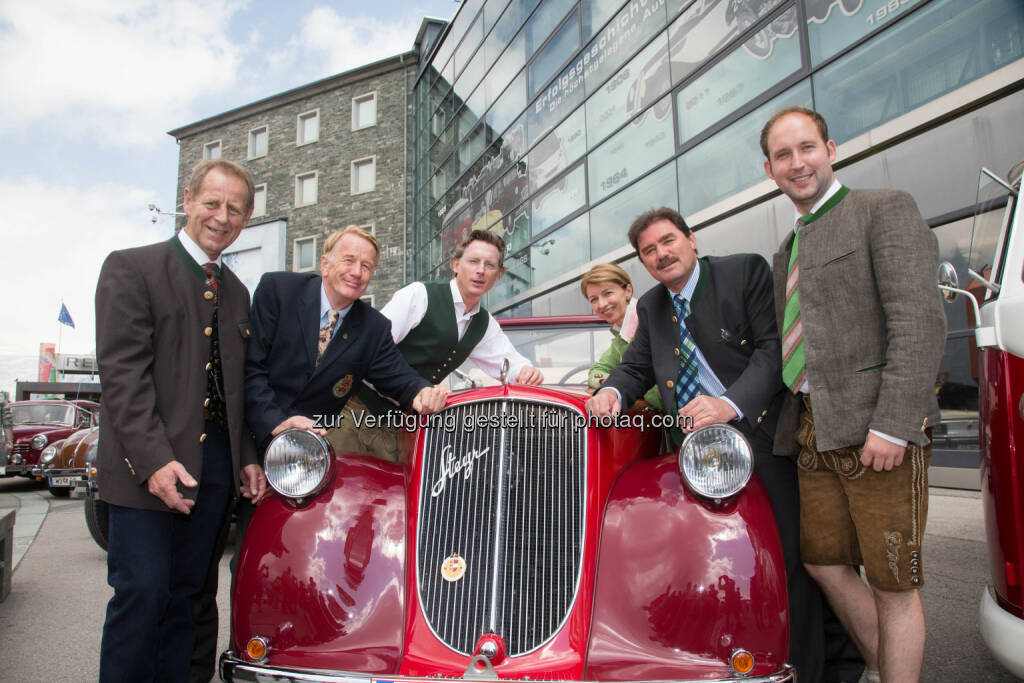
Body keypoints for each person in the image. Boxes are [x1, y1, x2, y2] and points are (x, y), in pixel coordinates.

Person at [585, 207, 827, 681]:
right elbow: (635, 368)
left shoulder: (743, 271)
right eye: (649, 250)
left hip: (758, 435)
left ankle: (808, 669)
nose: (662, 253)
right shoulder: (653, 306)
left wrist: (727, 405)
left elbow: (772, 348)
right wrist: (610, 392)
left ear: (691, 240)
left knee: (784, 561)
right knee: (707, 561)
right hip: (695, 454)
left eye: (668, 241)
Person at [761, 106, 945, 683]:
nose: (798, 163)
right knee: (822, 562)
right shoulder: (785, 249)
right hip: (813, 433)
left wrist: (894, 423)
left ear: (831, 148)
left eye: (807, 148)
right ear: (770, 170)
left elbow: (919, 322)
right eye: (783, 155)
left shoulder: (882, 209)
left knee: (894, 583)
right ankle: (892, 671)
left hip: (877, 431)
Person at [95, 158, 267, 683]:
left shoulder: (238, 291)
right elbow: (123, 377)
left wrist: (248, 460)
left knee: (192, 599)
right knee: (144, 594)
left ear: (247, 218)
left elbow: (237, 391)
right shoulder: (131, 267)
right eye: (212, 203)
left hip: (214, 469)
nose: (221, 216)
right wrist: (154, 461)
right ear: (187, 200)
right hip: (144, 465)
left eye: (234, 209)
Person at [332, 229, 543, 462]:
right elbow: (369, 350)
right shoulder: (419, 295)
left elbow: (511, 363)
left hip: (403, 428)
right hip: (356, 414)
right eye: (473, 261)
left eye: (490, 265)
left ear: (499, 275)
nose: (481, 270)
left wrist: (526, 371)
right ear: (455, 265)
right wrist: (419, 388)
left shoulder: (484, 323)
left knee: (392, 497)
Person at [244, 225, 447, 454]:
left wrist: (423, 392)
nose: (357, 272)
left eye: (366, 266)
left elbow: (399, 377)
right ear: (325, 264)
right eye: (348, 260)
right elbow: (251, 368)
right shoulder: (279, 291)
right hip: (249, 438)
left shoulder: (374, 328)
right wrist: (275, 424)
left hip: (306, 455)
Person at [580, 263, 661, 409]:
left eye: (608, 293)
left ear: (628, 291)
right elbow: (596, 371)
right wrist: (612, 384)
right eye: (594, 299)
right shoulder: (620, 335)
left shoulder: (651, 318)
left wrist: (621, 383)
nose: (602, 304)